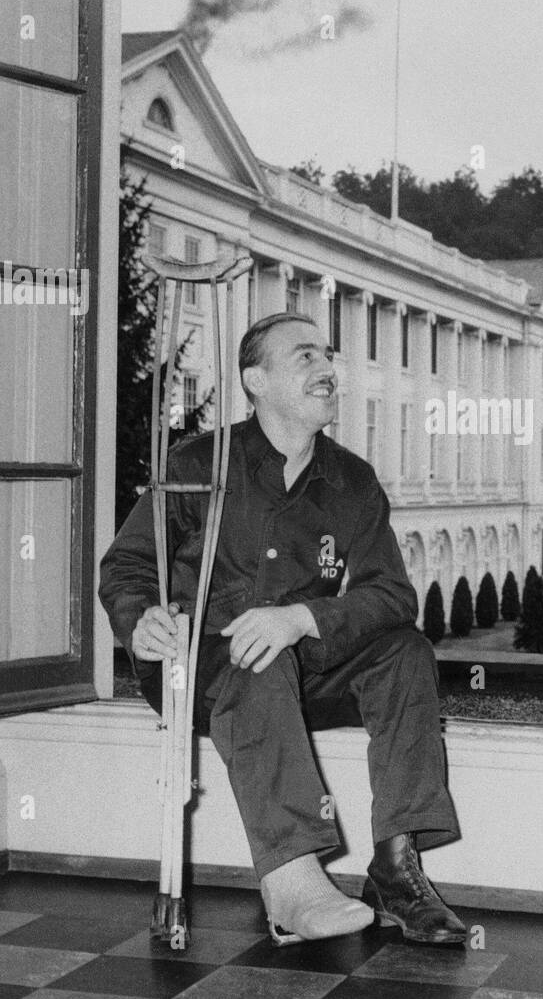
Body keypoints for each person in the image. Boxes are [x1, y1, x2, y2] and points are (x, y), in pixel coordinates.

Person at [100, 311, 466, 947]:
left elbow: (392, 595)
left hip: (301, 669)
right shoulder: (196, 464)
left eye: (328, 356)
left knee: (406, 652)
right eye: (305, 357)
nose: (328, 369)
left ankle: (396, 868)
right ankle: (293, 881)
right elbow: (128, 564)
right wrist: (140, 620)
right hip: (200, 668)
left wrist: (302, 618)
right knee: (258, 656)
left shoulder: (351, 480)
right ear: (256, 379)